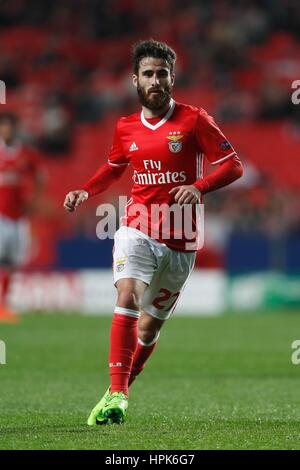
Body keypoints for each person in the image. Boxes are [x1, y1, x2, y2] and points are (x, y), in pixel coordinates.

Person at [64, 39, 243, 425]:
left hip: (182, 239)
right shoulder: (125, 126)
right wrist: (86, 189)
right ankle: (117, 392)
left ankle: (119, 389)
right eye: (148, 74)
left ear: (172, 78)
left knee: (149, 327)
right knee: (127, 293)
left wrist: (198, 188)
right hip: (137, 227)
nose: (156, 80)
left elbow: (233, 166)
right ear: (135, 80)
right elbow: (114, 166)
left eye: (162, 73)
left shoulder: (195, 120)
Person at [0, 112, 44, 322]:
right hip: (0, 216)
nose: (6, 130)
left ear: (15, 129)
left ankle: (3, 305)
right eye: (3, 127)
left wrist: (34, 198)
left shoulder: (26, 154)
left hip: (19, 216)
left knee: (11, 263)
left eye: (9, 127)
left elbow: (40, 177)